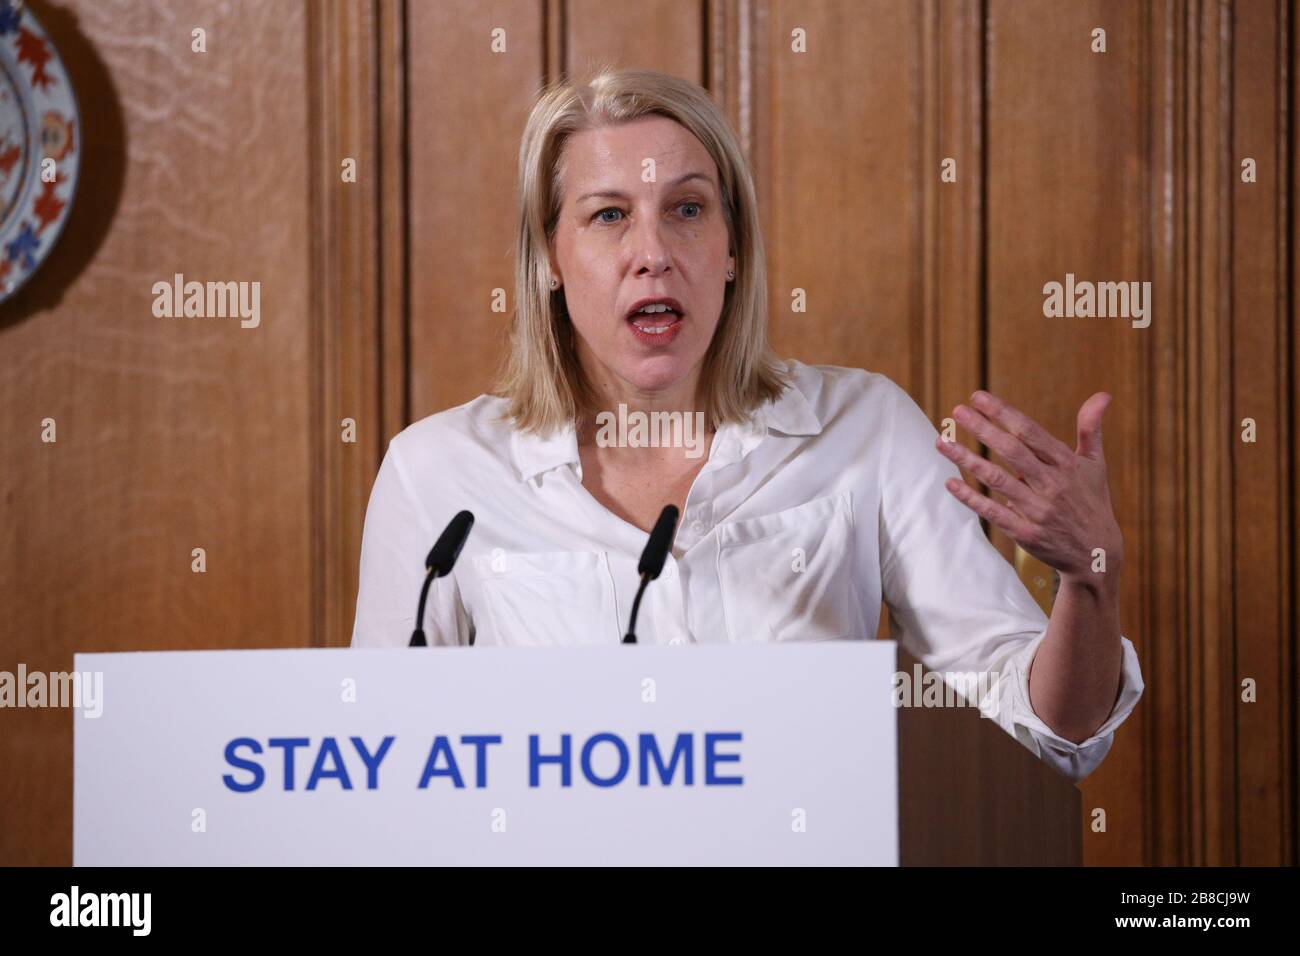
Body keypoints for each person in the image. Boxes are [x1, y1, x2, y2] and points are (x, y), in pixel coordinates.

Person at [351, 67, 1143, 783]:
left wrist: (1090, 577)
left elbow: (1045, 731)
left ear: (733, 248)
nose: (653, 252)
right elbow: (378, 761)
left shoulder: (864, 430)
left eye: (687, 209)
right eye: (608, 216)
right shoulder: (437, 475)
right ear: (549, 259)